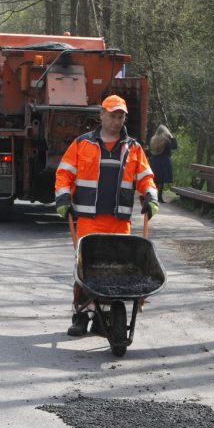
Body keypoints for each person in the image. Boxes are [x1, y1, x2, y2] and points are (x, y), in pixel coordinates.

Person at [55, 94, 159, 336]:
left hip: (119, 223)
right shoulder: (82, 144)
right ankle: (81, 316)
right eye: (112, 115)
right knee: (86, 271)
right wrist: (63, 198)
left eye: (121, 116)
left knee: (117, 272)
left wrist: (151, 197)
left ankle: (105, 319)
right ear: (101, 115)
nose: (117, 120)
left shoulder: (133, 148)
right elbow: (64, 174)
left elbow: (146, 178)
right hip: (89, 221)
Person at [148, 125, 177, 202]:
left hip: (154, 161)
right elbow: (174, 146)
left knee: (155, 180)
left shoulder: (153, 140)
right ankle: (159, 197)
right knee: (161, 181)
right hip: (164, 161)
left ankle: (152, 196)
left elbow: (150, 150)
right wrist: (171, 136)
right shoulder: (166, 140)